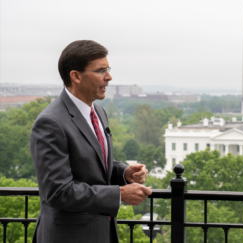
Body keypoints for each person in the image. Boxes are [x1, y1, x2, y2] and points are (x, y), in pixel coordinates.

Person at [30, 40, 152, 243]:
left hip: (102, 233)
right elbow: (59, 192)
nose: (109, 77)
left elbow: (90, 160)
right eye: (101, 70)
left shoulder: (99, 112)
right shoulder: (50, 122)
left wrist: (123, 172)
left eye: (108, 69)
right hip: (69, 237)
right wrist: (119, 194)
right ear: (76, 76)